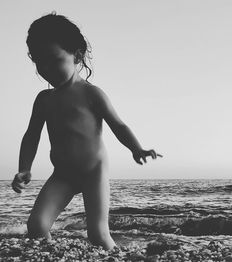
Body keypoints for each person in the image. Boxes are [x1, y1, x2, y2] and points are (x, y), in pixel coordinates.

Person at [10, 13, 162, 250]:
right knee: (37, 226)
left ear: (77, 55)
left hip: (93, 172)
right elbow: (31, 135)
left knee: (98, 235)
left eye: (53, 59)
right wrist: (24, 168)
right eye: (39, 61)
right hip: (62, 175)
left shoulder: (92, 94)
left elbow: (118, 125)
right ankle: (52, 254)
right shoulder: (43, 100)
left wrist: (136, 148)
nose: (46, 68)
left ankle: (117, 256)